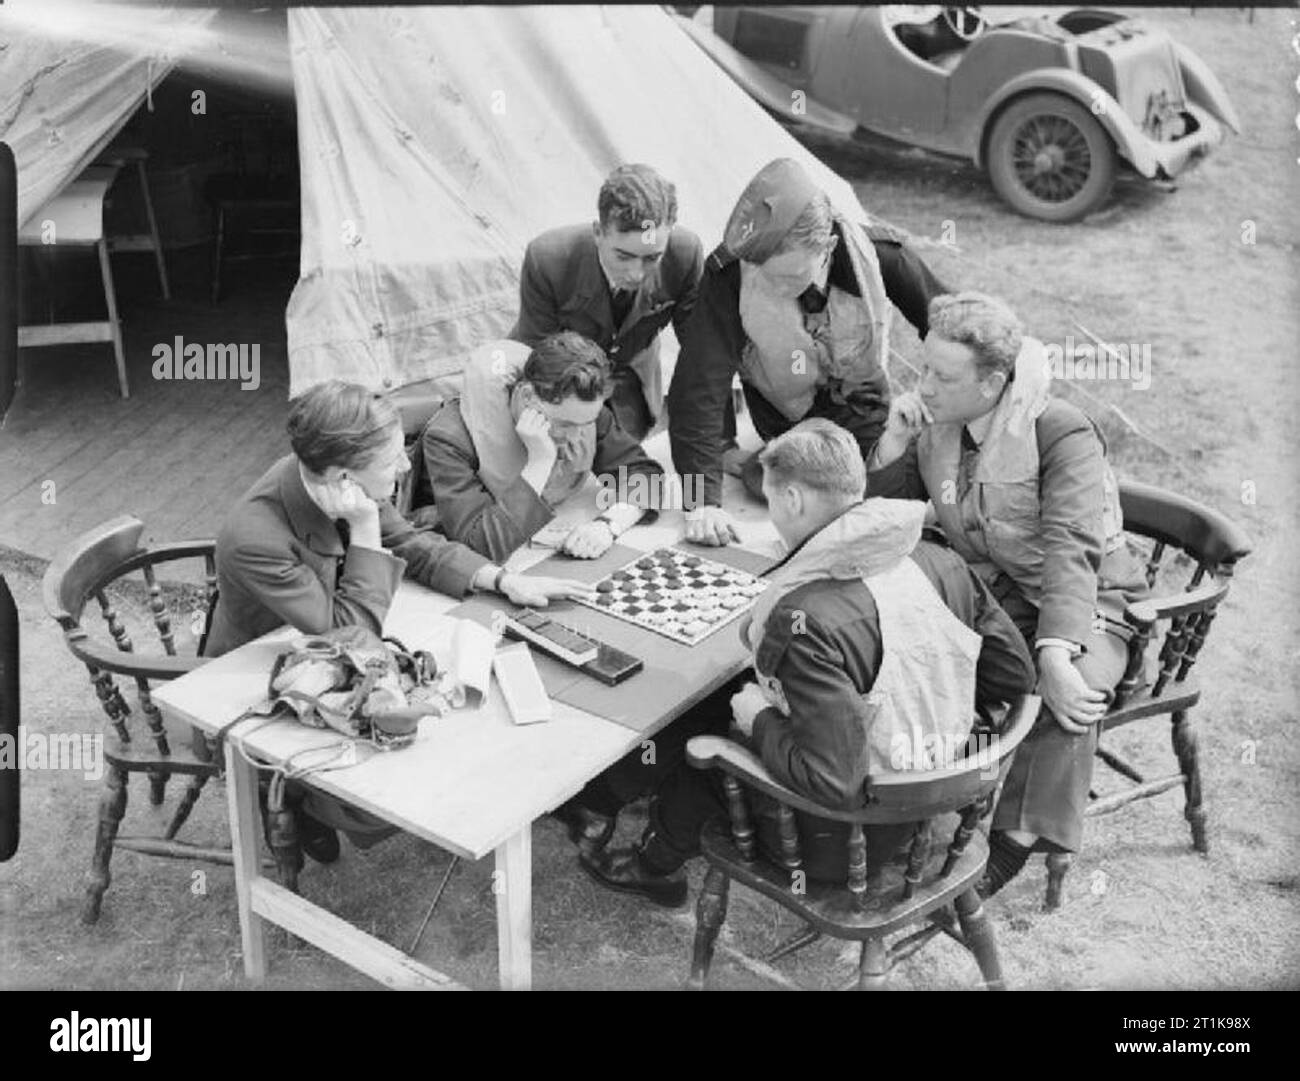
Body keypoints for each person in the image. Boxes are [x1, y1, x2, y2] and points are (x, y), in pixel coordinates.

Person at [582, 419, 1036, 906]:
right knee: (740, 702)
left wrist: (759, 719)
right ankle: (610, 803)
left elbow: (835, 783)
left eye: (774, 500)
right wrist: (920, 697)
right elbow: (1016, 676)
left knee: (711, 737)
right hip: (939, 800)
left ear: (794, 500)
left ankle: (654, 866)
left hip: (845, 837)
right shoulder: (939, 559)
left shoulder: (803, 619)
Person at [206, 380, 593, 859]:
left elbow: (413, 543)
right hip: (253, 676)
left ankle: (317, 801)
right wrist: (366, 530)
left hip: (319, 645)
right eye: (393, 461)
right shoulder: (255, 537)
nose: (408, 465)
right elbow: (353, 634)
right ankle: (300, 797)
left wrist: (501, 580)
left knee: (447, 708)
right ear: (341, 476)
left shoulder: (333, 479)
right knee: (411, 742)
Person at [866, 292, 1149, 896]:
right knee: (903, 641)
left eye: (944, 377)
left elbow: (1073, 546)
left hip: (1092, 603)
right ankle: (897, 799)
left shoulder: (1060, 429)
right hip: (997, 594)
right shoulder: (936, 427)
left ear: (994, 382)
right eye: (923, 371)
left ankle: (1008, 848)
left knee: (1068, 694)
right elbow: (889, 515)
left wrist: (1054, 651)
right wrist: (892, 446)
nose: (926, 388)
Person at [666, 157, 953, 548]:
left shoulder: (880, 254)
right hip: (787, 427)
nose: (777, 288)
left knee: (889, 489)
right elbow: (698, 384)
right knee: (808, 497)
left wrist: (935, 389)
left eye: (789, 277)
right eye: (767, 276)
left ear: (827, 248)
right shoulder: (732, 274)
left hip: (864, 415)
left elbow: (953, 327)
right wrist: (701, 503)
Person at [416, 332, 667, 563]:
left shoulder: (581, 412)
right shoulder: (448, 440)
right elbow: (482, 546)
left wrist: (608, 525)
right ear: (527, 396)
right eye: (565, 424)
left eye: (586, 423)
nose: (576, 436)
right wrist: (539, 462)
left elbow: (645, 476)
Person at [509, 163, 704, 441]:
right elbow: (539, 354)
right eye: (623, 257)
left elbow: (702, 351)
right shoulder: (548, 258)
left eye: (652, 258)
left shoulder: (686, 254)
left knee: (624, 466)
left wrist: (722, 440)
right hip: (558, 384)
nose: (636, 274)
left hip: (631, 386)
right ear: (598, 232)